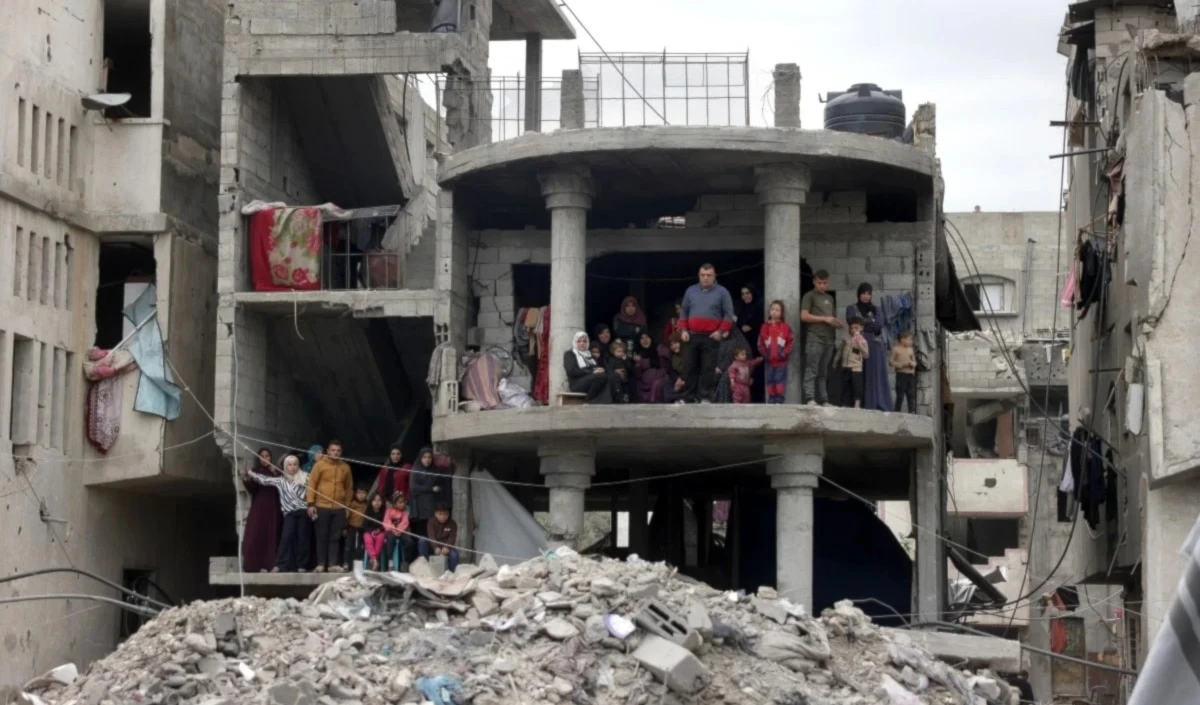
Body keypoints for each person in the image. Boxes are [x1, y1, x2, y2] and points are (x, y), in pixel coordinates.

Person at [241, 453, 311, 573]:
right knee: (285, 538)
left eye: (295, 465)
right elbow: (265, 480)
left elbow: (312, 493)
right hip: (289, 513)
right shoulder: (281, 480)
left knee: (302, 539)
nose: (292, 467)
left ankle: (301, 565)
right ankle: (280, 565)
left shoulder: (305, 477)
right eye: (289, 465)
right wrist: (251, 473)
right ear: (285, 466)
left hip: (303, 512)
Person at [679, 263, 735, 403]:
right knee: (689, 367)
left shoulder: (722, 292)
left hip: (711, 336)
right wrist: (683, 330)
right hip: (691, 335)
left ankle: (704, 397)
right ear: (699, 276)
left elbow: (729, 314)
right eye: (702, 275)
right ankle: (688, 398)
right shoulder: (690, 291)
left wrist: (721, 332)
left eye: (709, 275)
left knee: (708, 369)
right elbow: (684, 311)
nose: (705, 278)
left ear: (714, 276)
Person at [306, 439, 353, 573]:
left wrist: (347, 506)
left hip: (339, 507)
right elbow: (311, 485)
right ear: (328, 451)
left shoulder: (346, 467)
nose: (335, 453)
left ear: (341, 452)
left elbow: (349, 488)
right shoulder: (320, 465)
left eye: (338, 451)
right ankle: (321, 564)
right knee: (321, 536)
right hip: (321, 505)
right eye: (333, 450)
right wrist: (310, 503)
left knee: (335, 537)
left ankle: (332, 564)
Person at [800, 270, 844, 406]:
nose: (822, 286)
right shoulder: (809, 296)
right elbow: (804, 316)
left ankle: (824, 399)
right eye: (819, 283)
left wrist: (837, 323)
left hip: (829, 339)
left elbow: (831, 318)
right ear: (814, 281)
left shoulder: (830, 298)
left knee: (823, 372)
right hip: (815, 338)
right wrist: (825, 319)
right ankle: (809, 398)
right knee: (811, 369)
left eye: (825, 283)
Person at [847, 282, 891, 411]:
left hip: (874, 346)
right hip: (856, 345)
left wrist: (862, 324)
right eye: (863, 293)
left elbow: (879, 325)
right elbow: (851, 321)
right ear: (858, 294)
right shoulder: (851, 308)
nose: (866, 296)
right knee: (857, 374)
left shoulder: (876, 309)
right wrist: (869, 321)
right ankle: (858, 404)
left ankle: (873, 403)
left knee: (873, 374)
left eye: (868, 293)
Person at [241, 448, 282, 573]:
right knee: (256, 533)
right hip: (259, 507)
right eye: (262, 456)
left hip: (274, 507)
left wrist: (276, 473)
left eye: (267, 456)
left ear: (271, 457)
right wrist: (246, 477)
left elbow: (282, 487)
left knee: (271, 534)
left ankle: (269, 564)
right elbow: (252, 489)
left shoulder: (276, 471)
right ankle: (254, 565)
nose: (265, 458)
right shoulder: (256, 471)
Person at [409, 447, 451, 537]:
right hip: (420, 507)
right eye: (424, 457)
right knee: (421, 532)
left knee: (432, 531)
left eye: (429, 457)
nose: (427, 460)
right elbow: (413, 488)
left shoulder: (435, 470)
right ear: (420, 458)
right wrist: (430, 489)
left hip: (432, 506)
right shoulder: (416, 470)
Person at [758, 300, 794, 404]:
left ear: (781, 313)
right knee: (770, 380)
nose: (774, 312)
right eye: (772, 309)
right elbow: (760, 343)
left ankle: (779, 399)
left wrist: (784, 354)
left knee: (779, 380)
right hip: (769, 361)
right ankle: (771, 399)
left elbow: (790, 342)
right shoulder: (764, 327)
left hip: (781, 362)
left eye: (777, 310)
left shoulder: (785, 327)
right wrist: (765, 355)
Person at [564, 331, 612, 403]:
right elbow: (571, 371)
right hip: (577, 383)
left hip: (590, 380)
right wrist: (592, 372)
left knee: (607, 377)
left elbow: (593, 368)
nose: (582, 343)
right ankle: (589, 400)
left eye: (584, 341)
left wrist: (598, 369)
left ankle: (607, 402)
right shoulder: (570, 354)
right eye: (579, 341)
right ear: (575, 342)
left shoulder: (589, 354)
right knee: (599, 377)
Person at [835, 317, 870, 408]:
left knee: (857, 386)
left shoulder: (863, 341)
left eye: (856, 328)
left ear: (861, 328)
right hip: (845, 366)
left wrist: (859, 345)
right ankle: (844, 404)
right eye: (852, 328)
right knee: (845, 386)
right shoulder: (846, 339)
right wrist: (835, 361)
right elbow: (840, 350)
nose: (853, 330)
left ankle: (857, 404)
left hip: (856, 367)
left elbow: (866, 355)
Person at [419, 503, 460, 572]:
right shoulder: (431, 522)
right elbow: (431, 536)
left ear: (449, 514)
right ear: (435, 514)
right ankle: (424, 567)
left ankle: (452, 573)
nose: (442, 517)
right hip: (433, 545)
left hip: (446, 546)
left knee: (454, 555)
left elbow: (452, 537)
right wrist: (435, 547)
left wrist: (447, 547)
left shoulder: (452, 523)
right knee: (422, 540)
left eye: (445, 514)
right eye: (440, 514)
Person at [633, 332, 667, 403]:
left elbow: (662, 363)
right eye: (642, 338)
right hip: (644, 385)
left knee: (657, 385)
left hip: (659, 380)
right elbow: (637, 375)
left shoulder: (659, 348)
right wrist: (638, 364)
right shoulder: (638, 353)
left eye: (647, 337)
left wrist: (642, 361)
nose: (645, 340)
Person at [889, 330, 918, 412]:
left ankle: (911, 411)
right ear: (902, 340)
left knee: (911, 394)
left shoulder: (910, 350)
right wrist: (901, 364)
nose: (911, 341)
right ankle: (897, 411)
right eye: (909, 339)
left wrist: (912, 364)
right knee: (900, 395)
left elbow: (914, 361)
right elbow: (891, 362)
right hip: (901, 375)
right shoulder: (896, 349)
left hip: (910, 375)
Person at [383, 491, 412, 570]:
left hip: (401, 531)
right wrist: (394, 529)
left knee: (409, 542)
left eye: (403, 502)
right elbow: (386, 522)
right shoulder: (388, 511)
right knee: (391, 539)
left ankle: (405, 561)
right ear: (394, 503)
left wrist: (399, 530)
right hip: (391, 531)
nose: (403, 504)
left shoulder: (405, 512)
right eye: (400, 502)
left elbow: (405, 522)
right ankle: (390, 560)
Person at [342, 486, 369, 571]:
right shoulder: (351, 504)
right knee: (348, 546)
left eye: (363, 493)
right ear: (355, 494)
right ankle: (346, 563)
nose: (361, 495)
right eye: (359, 493)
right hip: (351, 527)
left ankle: (359, 564)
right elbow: (346, 517)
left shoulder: (367, 505)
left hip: (362, 528)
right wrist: (344, 528)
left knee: (360, 547)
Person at [735, 285, 763, 353]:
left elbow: (760, 321)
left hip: (756, 343)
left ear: (753, 293)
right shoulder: (743, 308)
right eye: (743, 294)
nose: (745, 296)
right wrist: (742, 326)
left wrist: (751, 326)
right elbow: (739, 323)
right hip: (744, 343)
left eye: (748, 293)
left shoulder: (759, 306)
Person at [363, 493, 387, 570]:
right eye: (375, 500)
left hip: (380, 532)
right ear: (371, 502)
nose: (377, 502)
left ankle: (373, 560)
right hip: (369, 532)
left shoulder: (384, 513)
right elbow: (364, 526)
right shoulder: (367, 512)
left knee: (381, 538)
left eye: (379, 500)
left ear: (382, 502)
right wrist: (371, 532)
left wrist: (378, 530)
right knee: (368, 539)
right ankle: (374, 559)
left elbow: (385, 525)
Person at [661, 334, 688, 404]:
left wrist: (683, 380)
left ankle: (683, 398)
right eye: (671, 345)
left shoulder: (688, 353)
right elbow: (670, 370)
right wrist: (677, 379)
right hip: (677, 379)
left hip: (688, 378)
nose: (674, 346)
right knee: (667, 379)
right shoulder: (671, 355)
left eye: (676, 343)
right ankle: (675, 398)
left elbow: (691, 369)